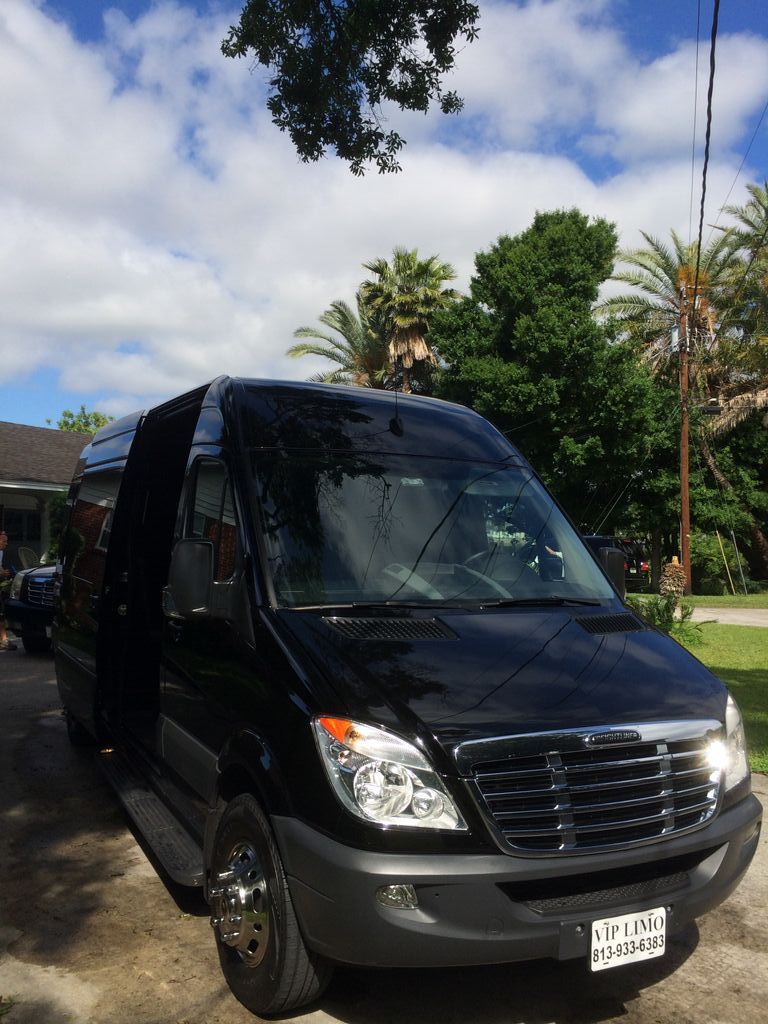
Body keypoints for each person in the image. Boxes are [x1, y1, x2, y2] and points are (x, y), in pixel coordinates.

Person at [0, 530, 18, 651]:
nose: (6, 544)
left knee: (1, 614)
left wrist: (4, 573)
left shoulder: (1, 553)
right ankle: (4, 640)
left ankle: (4, 639)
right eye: (4, 541)